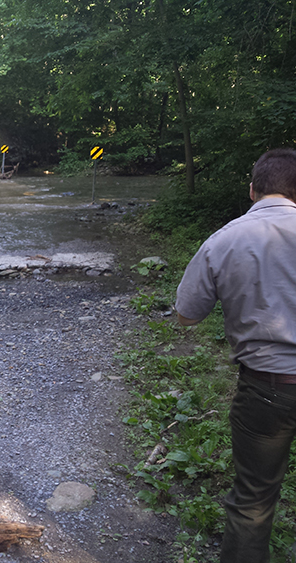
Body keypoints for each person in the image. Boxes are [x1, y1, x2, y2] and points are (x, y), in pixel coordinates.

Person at [175, 148, 296, 562]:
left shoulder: (224, 240)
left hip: (267, 387)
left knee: (254, 500)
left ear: (251, 190)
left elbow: (187, 317)